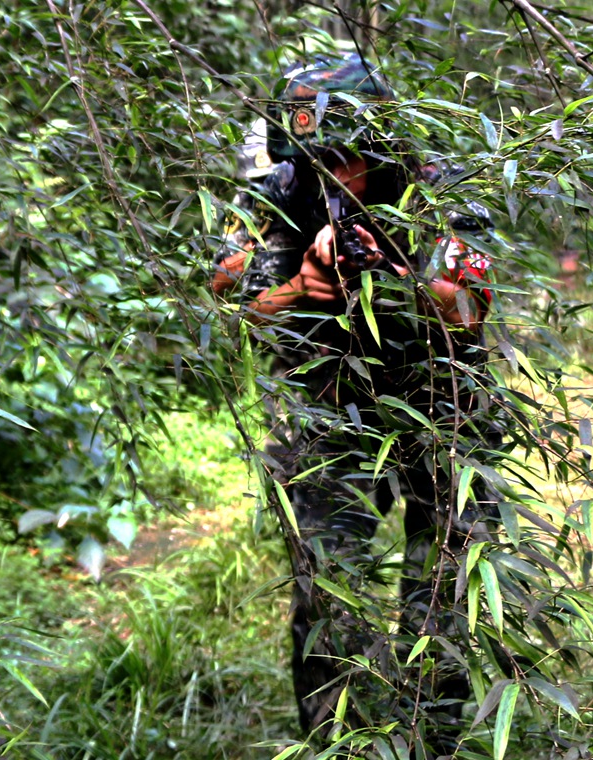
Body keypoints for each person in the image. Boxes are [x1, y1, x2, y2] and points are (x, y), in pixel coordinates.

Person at [211, 56, 497, 744]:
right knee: (327, 586)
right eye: (320, 159)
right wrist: (301, 288)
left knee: (445, 588)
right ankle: (336, 743)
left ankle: (433, 740)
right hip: (332, 411)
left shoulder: (435, 190)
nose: (333, 175)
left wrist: (398, 281)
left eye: (348, 158)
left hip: (441, 409)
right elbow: (226, 292)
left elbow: (468, 307)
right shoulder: (278, 193)